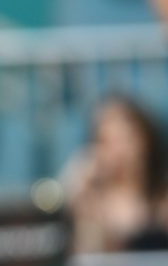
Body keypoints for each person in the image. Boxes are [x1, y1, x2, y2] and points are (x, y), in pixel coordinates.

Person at [61, 94, 168, 253]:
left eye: (126, 139)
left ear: (145, 140)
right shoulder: (90, 201)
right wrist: (76, 184)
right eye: (108, 141)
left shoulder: (161, 196)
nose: (119, 151)